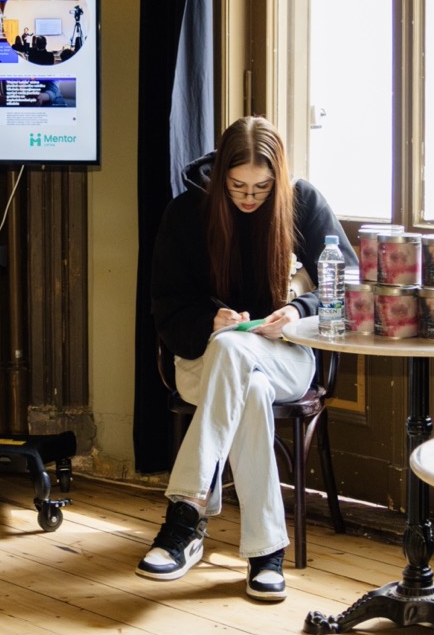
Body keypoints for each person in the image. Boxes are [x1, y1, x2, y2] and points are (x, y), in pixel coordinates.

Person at [139, 116, 356, 602]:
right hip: (203, 360)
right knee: (245, 378)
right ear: (220, 177)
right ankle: (266, 551)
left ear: (279, 178)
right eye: (237, 186)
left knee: (237, 354)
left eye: (262, 187)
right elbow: (166, 306)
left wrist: (298, 310)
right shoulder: (186, 213)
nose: (250, 197)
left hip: (286, 358)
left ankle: (186, 514)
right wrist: (210, 321)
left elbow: (348, 282)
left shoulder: (303, 202)